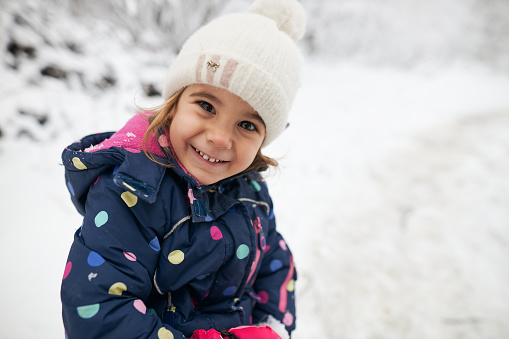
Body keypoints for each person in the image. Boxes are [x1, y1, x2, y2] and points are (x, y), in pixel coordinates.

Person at [60, 0, 305, 338]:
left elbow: (274, 261)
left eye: (247, 125)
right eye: (206, 106)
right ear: (174, 104)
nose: (220, 138)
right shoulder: (131, 193)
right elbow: (100, 311)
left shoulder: (250, 191)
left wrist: (272, 328)